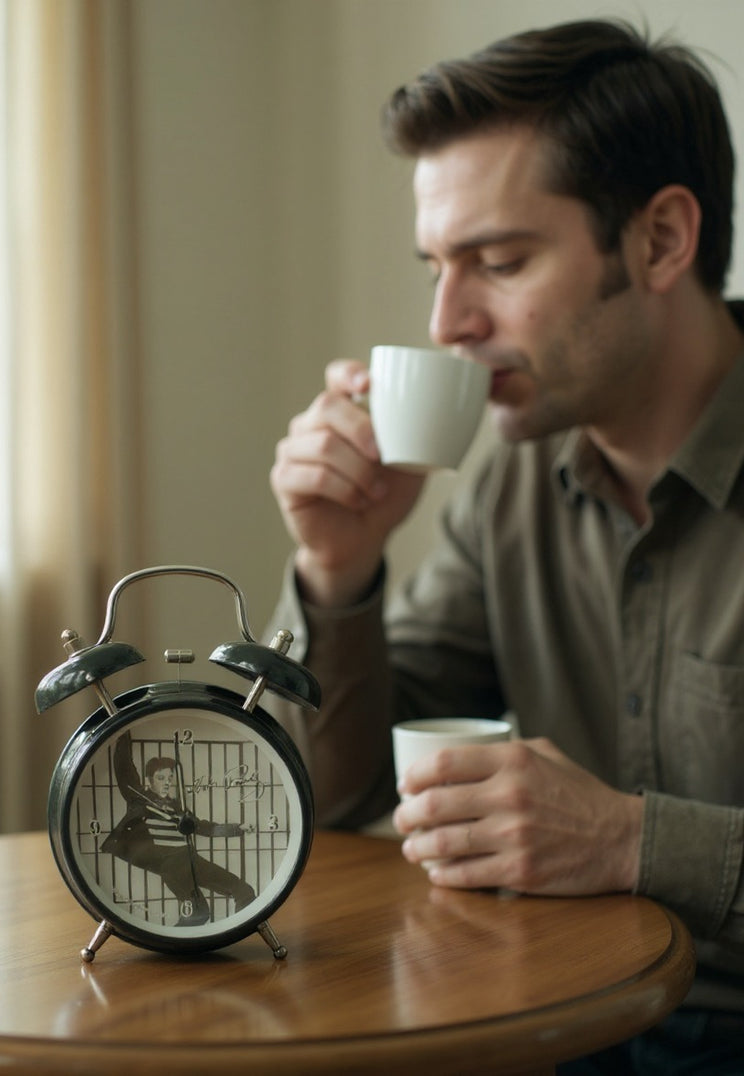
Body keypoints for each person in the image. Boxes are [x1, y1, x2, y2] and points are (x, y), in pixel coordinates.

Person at [266, 18, 744, 1073]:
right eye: (437, 265)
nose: (445, 320)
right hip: (547, 1017)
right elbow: (342, 807)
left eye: (497, 261)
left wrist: (627, 838)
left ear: (660, 240)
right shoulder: (513, 479)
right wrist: (336, 569)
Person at [102, 730, 255, 923]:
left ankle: (239, 928)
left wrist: (237, 828)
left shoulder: (179, 807)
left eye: (170, 778)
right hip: (170, 865)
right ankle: (171, 943)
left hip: (191, 860)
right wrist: (123, 733)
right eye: (160, 777)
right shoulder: (140, 800)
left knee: (244, 891)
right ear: (149, 781)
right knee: (199, 914)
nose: (167, 782)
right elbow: (126, 772)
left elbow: (204, 828)